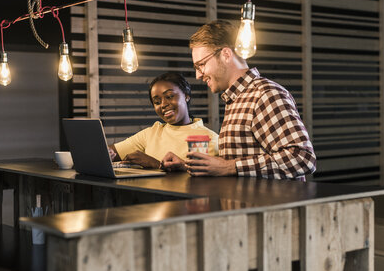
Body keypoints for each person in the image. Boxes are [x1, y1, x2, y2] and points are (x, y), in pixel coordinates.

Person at [162, 20, 316, 180]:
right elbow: (235, 165)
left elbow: (302, 159)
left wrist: (229, 166)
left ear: (226, 54)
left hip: (266, 204)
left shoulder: (264, 94)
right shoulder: (236, 99)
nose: (198, 75)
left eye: (201, 65)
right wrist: (189, 166)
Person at [109, 72, 218, 170]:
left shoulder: (210, 139)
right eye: (157, 102)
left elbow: (203, 179)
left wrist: (156, 164)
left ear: (186, 96)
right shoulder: (151, 133)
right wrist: (106, 153)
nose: (163, 104)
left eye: (170, 96)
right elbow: (110, 152)